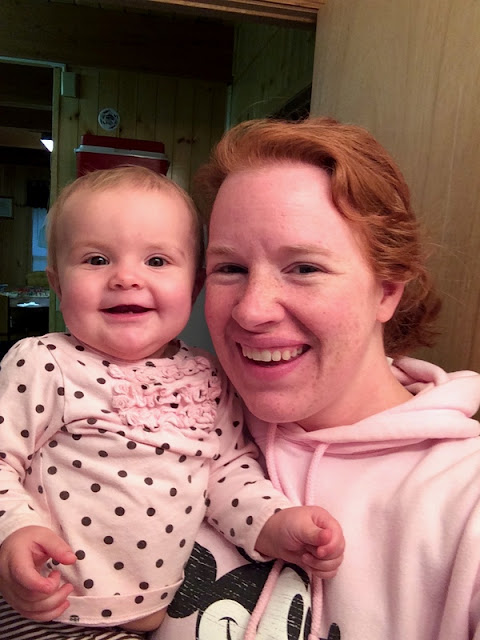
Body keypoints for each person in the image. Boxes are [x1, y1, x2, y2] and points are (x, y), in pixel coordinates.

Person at [151, 117, 480, 640]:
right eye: (229, 268)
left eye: (304, 268)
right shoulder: (175, 425)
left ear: (387, 290)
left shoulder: (466, 503)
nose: (252, 310)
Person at [0, 166, 345, 640]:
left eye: (157, 261)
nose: (126, 278)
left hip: (151, 622)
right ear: (58, 283)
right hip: (46, 613)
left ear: (195, 286)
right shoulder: (43, 362)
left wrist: (273, 523)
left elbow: (226, 472)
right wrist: (14, 531)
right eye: (97, 259)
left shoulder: (208, 375)